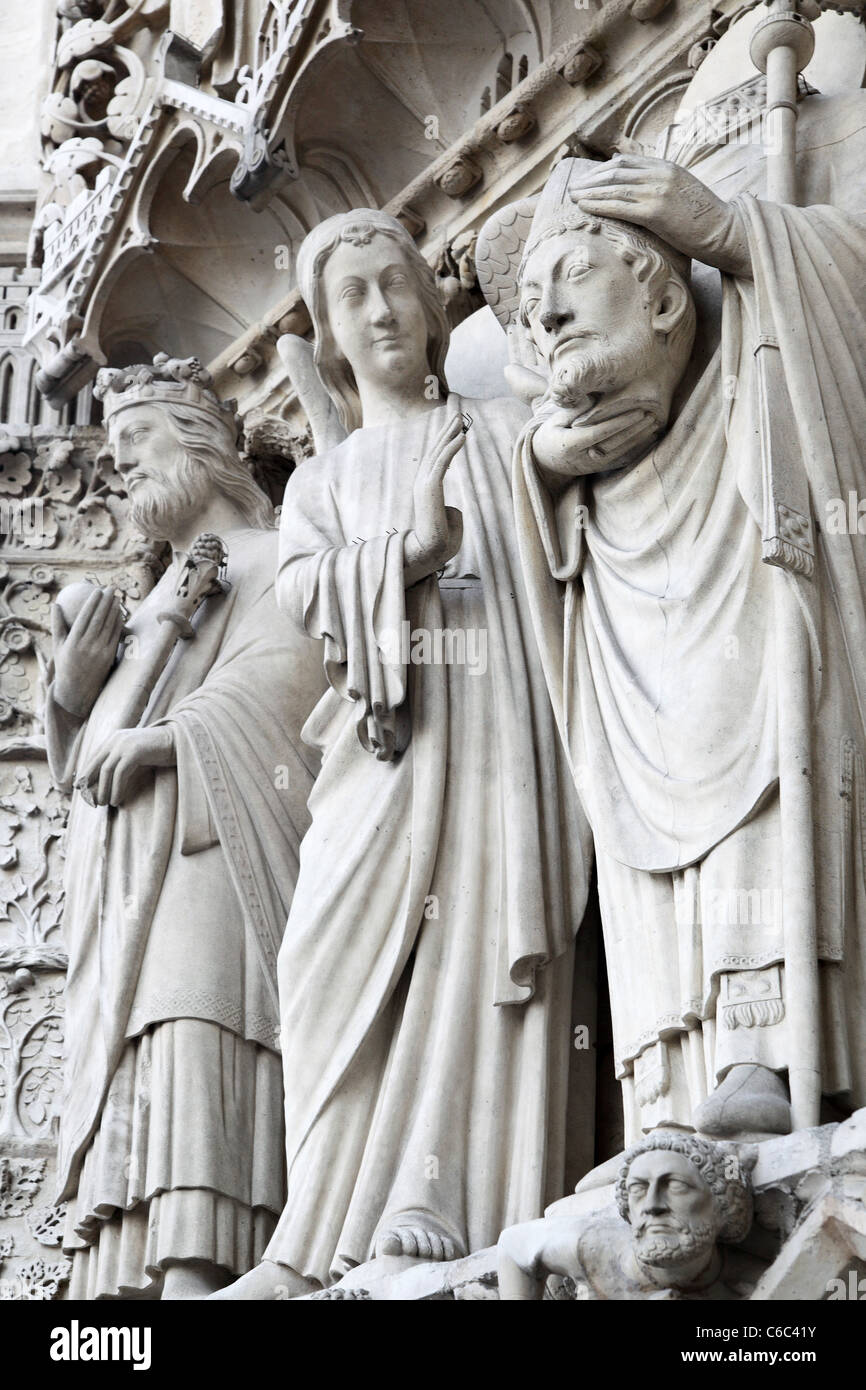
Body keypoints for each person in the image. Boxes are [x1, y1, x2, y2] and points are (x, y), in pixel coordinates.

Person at [217, 208, 592, 1296]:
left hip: (497, 726)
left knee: (473, 930)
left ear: (433, 307)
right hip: (379, 751)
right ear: (328, 337)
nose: (379, 309)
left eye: (395, 284)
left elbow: (566, 484)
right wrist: (411, 555)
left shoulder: (495, 424)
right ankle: (306, 1236)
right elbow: (298, 590)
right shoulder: (322, 482)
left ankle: (445, 1189)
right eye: (352, 297)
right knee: (321, 962)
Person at [485, 151, 866, 1144]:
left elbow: (848, 279)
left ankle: (768, 1046)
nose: (548, 313)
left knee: (749, 737)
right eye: (531, 303)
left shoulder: (753, 337)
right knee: (632, 815)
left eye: (570, 273)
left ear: (660, 296)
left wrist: (740, 234)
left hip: (744, 594)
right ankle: (663, 1089)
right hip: (619, 616)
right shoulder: (568, 464)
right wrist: (539, 467)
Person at [47, 354, 325, 1298]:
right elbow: (88, 767)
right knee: (145, 1046)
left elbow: (290, 689)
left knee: (196, 1019)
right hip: (135, 873)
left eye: (137, 442)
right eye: (112, 450)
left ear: (203, 444)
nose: (122, 466)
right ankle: (136, 1281)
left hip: (218, 849)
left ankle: (205, 1269)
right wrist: (72, 696)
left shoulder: (281, 552)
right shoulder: (156, 597)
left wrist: (171, 742)